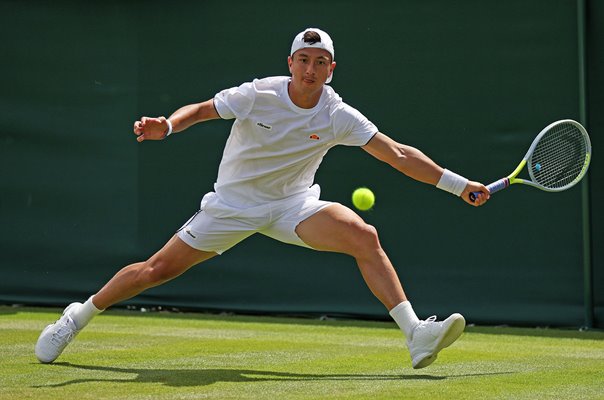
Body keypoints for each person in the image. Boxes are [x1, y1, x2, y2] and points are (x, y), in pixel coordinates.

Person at [35, 28, 490, 369]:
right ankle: (77, 317)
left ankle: (416, 334)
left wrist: (457, 183)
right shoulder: (259, 94)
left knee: (363, 235)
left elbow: (397, 154)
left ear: (332, 69)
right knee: (156, 270)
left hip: (293, 206)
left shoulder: (338, 115)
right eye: (303, 60)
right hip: (232, 205)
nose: (310, 69)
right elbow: (200, 109)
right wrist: (168, 126)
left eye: (320, 62)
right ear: (290, 62)